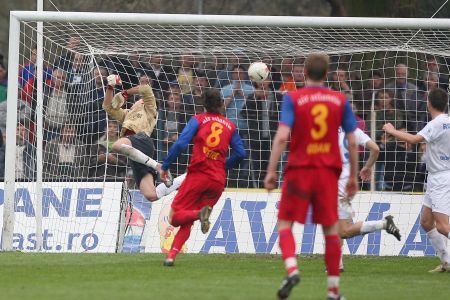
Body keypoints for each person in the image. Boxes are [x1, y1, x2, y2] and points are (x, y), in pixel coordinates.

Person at [264, 53, 358, 300]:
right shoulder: (339, 99)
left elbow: (282, 136)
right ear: (327, 74)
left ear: (304, 73)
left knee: (285, 223)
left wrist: (271, 171)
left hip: (299, 170)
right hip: (328, 173)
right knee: (331, 230)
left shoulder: (293, 98)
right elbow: (352, 140)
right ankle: (333, 292)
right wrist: (353, 177)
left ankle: (292, 269)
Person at [159, 89, 246, 267]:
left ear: (203, 105)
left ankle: (199, 215)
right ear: (222, 104)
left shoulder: (198, 119)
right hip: (217, 180)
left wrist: (165, 165)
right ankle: (171, 256)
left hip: (198, 176)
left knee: (175, 217)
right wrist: (224, 166)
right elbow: (241, 154)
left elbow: (181, 143)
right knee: (187, 221)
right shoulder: (230, 125)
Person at [383, 87, 450, 272]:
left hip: (440, 179)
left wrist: (392, 130)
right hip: (438, 176)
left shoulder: (436, 123)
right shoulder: (447, 122)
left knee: (444, 227)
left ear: (429, 103)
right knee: (426, 222)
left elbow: (414, 140)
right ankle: (446, 261)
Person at [103, 74, 185, 202]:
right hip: (138, 153)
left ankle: (158, 167)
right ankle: (188, 175)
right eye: (138, 99)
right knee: (151, 195)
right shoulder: (127, 114)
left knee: (116, 146)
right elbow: (107, 107)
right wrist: (110, 87)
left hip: (141, 139)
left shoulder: (150, 109)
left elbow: (146, 89)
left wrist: (125, 93)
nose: (139, 100)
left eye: (142, 100)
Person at [337, 127, 401, 272]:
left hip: (336, 183)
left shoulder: (324, 129)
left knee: (343, 230)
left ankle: (384, 224)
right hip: (347, 182)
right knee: (334, 224)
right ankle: (337, 265)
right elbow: (376, 149)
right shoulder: (353, 129)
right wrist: (367, 167)